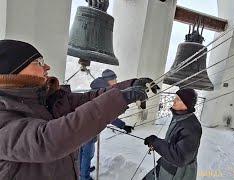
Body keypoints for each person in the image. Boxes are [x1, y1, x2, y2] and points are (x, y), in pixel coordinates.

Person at [0, 39, 158, 180]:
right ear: (14, 69)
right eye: (39, 62)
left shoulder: (48, 97)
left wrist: (128, 86)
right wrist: (120, 99)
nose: (47, 66)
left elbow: (89, 99)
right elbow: (48, 140)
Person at [79, 69, 135, 180]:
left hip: (83, 126)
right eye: (114, 79)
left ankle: (81, 169)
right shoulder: (103, 93)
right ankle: (84, 176)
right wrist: (123, 126)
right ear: (109, 80)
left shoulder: (97, 89)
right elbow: (108, 115)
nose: (116, 81)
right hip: (89, 128)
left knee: (81, 151)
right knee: (87, 153)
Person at [143, 88, 202, 180]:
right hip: (167, 165)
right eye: (175, 98)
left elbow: (180, 158)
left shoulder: (191, 127)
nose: (174, 101)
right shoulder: (179, 117)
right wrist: (155, 142)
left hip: (177, 174)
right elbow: (173, 143)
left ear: (186, 104)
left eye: (178, 99)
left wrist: (156, 143)